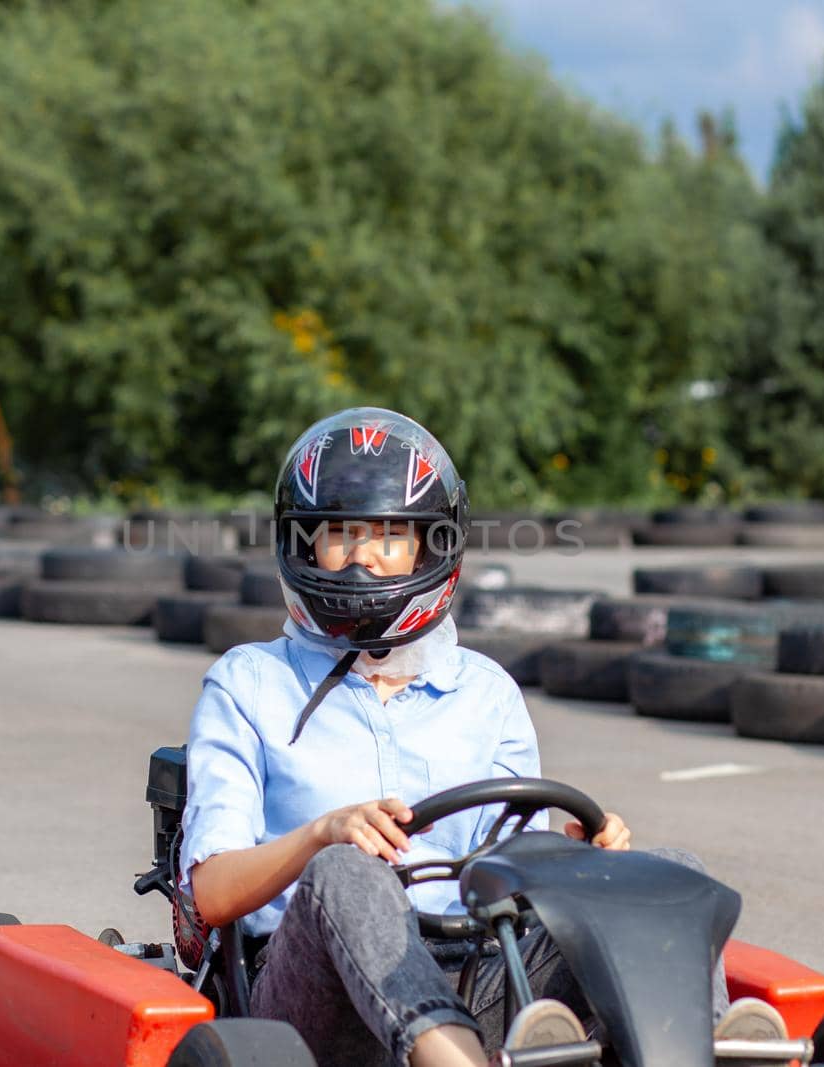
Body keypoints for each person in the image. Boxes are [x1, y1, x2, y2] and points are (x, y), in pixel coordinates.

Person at [179, 407, 781, 1067]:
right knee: (347, 870)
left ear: (428, 548)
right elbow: (210, 894)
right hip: (314, 1005)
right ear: (303, 547)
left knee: (663, 873)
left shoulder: (485, 693)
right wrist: (322, 833)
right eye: (340, 534)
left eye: (389, 536)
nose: (363, 557)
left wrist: (573, 856)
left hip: (477, 976)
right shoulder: (249, 683)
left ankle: (702, 1046)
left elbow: (509, 879)